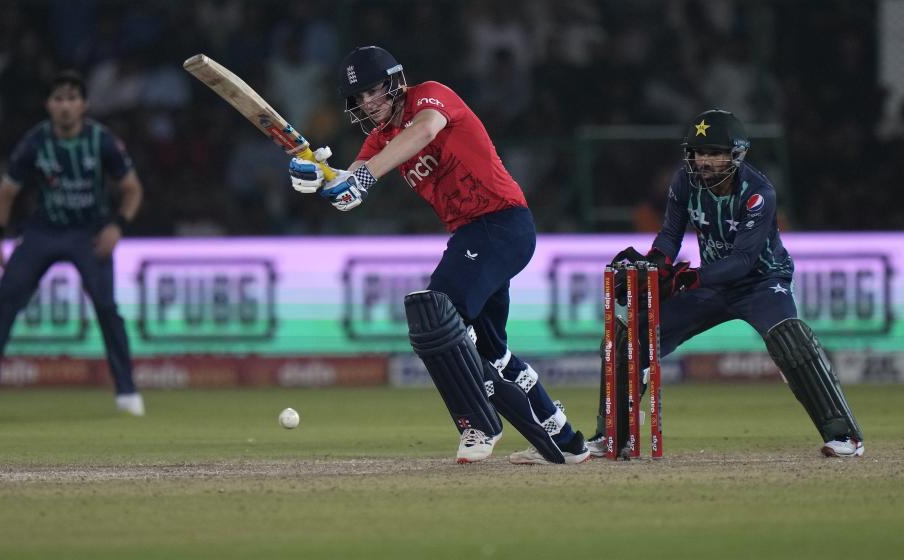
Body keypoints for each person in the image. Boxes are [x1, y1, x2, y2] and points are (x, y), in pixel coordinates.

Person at [288, 45, 588, 465]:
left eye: (375, 91)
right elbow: (348, 192)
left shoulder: (430, 95)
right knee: (491, 353)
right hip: (475, 235)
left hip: (501, 224)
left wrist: (363, 176)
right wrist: (317, 176)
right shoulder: (379, 140)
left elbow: (426, 130)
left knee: (436, 316)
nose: (368, 104)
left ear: (395, 82)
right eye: (360, 98)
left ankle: (481, 425)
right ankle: (567, 442)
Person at [587, 109, 864, 458]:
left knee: (790, 339)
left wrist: (690, 277)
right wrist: (656, 266)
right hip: (713, 284)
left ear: (735, 155)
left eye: (715, 153)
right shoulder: (684, 181)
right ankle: (614, 435)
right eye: (699, 153)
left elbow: (744, 261)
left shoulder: (758, 193)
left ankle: (845, 436)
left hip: (762, 282)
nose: (705, 161)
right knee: (629, 338)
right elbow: (670, 235)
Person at [0, 71, 145, 417]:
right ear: (48, 105)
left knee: (107, 308)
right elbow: (5, 193)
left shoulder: (102, 141)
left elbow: (132, 189)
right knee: (5, 299)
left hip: (90, 232)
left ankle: (127, 393)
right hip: (43, 231)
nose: (65, 106)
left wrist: (117, 226)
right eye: (58, 99)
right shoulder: (35, 143)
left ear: (84, 104)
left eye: (71, 99)